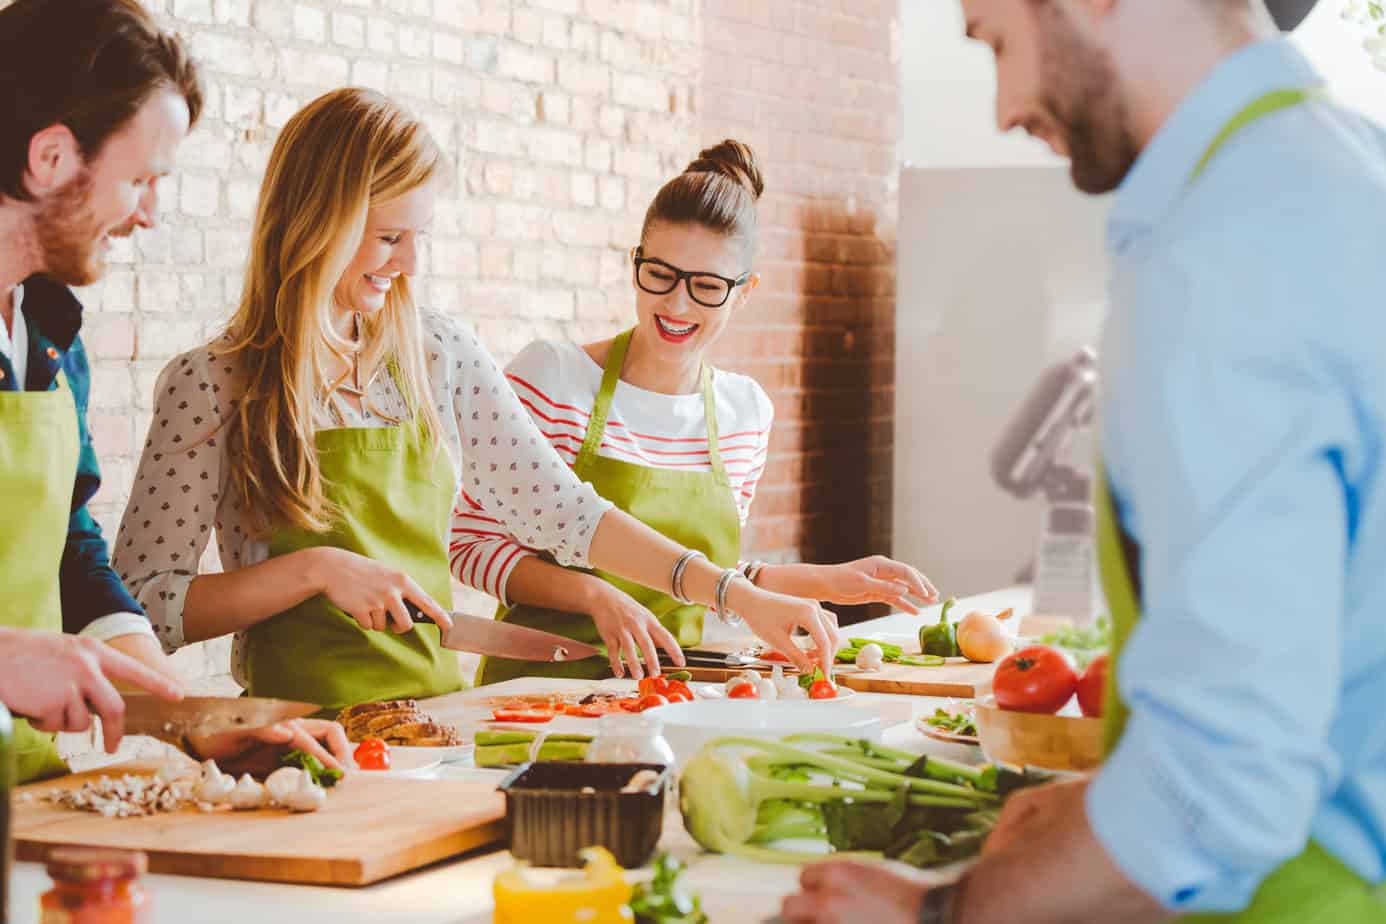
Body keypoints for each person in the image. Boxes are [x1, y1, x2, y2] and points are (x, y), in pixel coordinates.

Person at [781, 0, 1386, 921]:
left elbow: (1220, 784)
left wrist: (940, 911)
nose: (1003, 108)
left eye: (995, 40)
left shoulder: (1226, 247)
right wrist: (1106, 817)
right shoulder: (1341, 173)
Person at [114, 88, 844, 715]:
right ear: (315, 221)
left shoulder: (437, 356)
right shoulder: (214, 383)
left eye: (419, 236)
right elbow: (144, 602)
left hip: (436, 728)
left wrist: (736, 597)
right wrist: (311, 571)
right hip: (292, 739)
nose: (408, 266)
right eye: (388, 236)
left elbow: (567, 514)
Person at [0, 0, 348, 782]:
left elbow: (66, 550)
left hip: (22, 791)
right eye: (142, 179)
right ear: (52, 157)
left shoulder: (49, 332)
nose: (151, 215)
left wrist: (184, 717)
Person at [453, 140, 937, 684]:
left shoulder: (744, 413)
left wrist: (826, 581)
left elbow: (710, 578)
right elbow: (470, 544)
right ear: (634, 261)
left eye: (706, 287)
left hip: (671, 697)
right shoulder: (554, 379)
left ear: (745, 292)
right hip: (536, 695)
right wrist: (595, 595)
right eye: (660, 274)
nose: (677, 305)